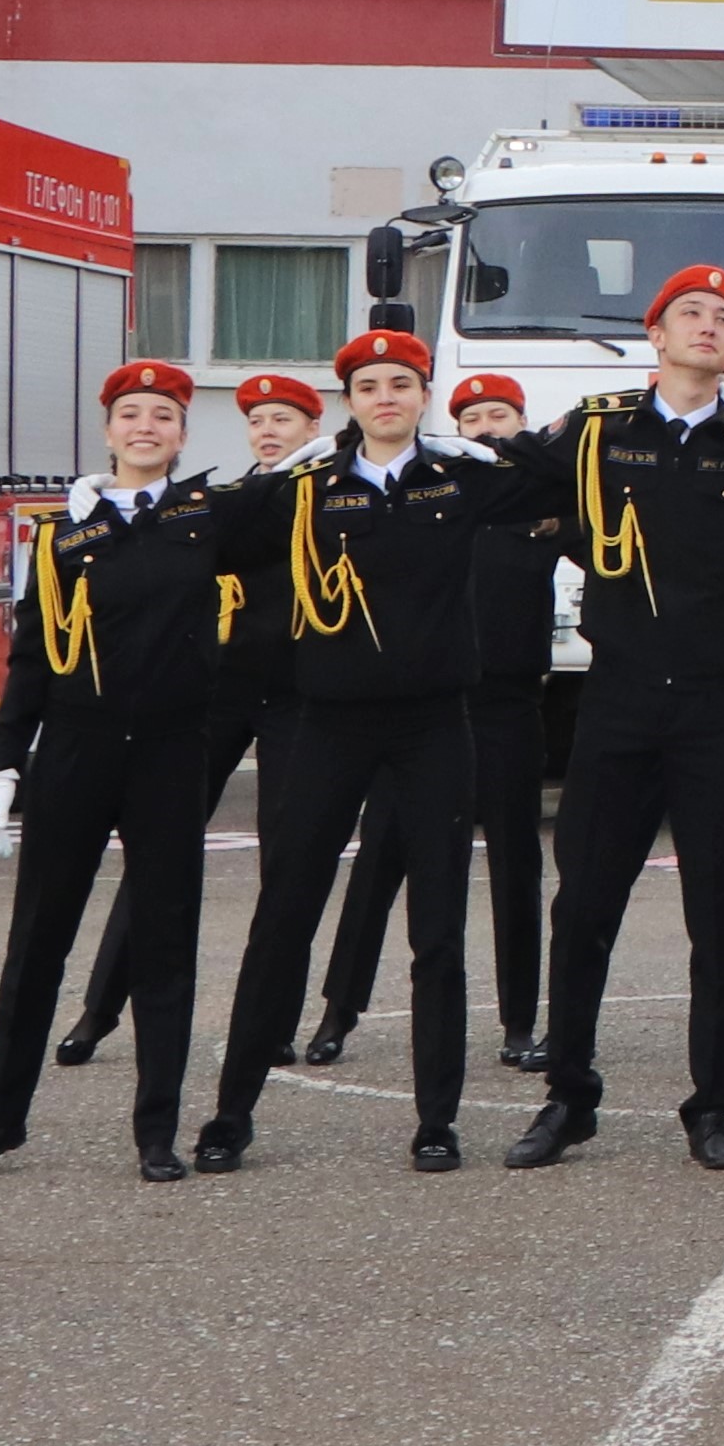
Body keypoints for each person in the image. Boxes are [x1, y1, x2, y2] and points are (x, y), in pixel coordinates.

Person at [505, 267, 724, 1172]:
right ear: (654, 335)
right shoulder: (596, 429)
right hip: (618, 697)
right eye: (690, 312)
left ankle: (712, 1104)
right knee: (583, 907)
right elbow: (522, 484)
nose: (708, 325)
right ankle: (568, 1097)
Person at [196, 333, 546, 1174]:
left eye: (402, 383)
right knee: (285, 913)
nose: (385, 396)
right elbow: (218, 535)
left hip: (433, 725)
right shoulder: (310, 486)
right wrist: (281, 473)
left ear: (425, 394)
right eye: (368, 385)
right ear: (348, 399)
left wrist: (494, 447)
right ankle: (231, 1111)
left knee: (437, 930)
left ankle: (436, 1119)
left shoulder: (457, 478)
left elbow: (559, 477)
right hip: (330, 721)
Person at [0, 361, 231, 1181]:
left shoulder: (207, 517)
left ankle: (156, 1130)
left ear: (182, 435)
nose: (147, 426)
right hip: (77, 746)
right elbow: (32, 653)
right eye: (131, 414)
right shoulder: (65, 529)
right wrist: (4, 761)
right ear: (108, 430)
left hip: (172, 751)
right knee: (38, 939)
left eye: (164, 416)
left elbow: (287, 501)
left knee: (166, 943)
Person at [56, 368, 321, 1071]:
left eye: (284, 422)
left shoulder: (329, 496)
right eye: (258, 421)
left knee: (287, 863)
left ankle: (275, 1019)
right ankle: (98, 1009)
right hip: (221, 693)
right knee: (157, 854)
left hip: (299, 696)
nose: (268, 432)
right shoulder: (223, 502)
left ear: (312, 433)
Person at [310, 367, 553, 1077]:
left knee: (514, 864)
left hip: (507, 705)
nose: (487, 427)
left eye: (501, 414)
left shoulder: (530, 503)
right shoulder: (440, 493)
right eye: (472, 416)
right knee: (379, 862)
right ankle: (337, 1010)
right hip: (424, 708)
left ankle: (517, 1020)